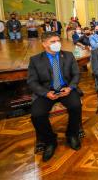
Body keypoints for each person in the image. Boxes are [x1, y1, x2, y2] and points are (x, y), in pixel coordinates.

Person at [27, 32, 82, 162]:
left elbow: (76, 74)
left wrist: (70, 88)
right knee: (37, 114)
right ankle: (50, 140)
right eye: (53, 41)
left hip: (65, 89)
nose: (57, 43)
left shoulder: (68, 56)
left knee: (76, 106)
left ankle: (72, 134)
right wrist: (45, 93)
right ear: (44, 44)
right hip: (46, 91)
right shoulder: (35, 60)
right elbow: (32, 81)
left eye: (58, 40)